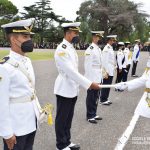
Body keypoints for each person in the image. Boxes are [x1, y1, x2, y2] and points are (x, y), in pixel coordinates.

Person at [54, 22, 101, 150]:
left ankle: (67, 141)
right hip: (64, 88)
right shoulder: (62, 49)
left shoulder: (70, 47)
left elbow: (74, 71)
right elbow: (71, 71)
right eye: (76, 33)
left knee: (68, 118)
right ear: (68, 33)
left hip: (72, 88)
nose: (77, 35)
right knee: (62, 119)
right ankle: (61, 144)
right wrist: (89, 83)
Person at [0, 18, 39, 150]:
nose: (29, 40)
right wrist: (6, 132)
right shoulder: (4, 67)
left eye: (29, 36)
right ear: (13, 40)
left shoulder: (27, 61)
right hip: (16, 127)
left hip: (30, 121)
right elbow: (2, 102)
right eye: (25, 36)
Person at [84, 31, 104, 124]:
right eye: (97, 37)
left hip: (98, 76)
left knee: (96, 96)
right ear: (94, 38)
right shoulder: (90, 49)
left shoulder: (98, 49)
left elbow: (100, 64)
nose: (99, 39)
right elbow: (87, 66)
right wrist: (89, 81)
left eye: (100, 37)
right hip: (92, 77)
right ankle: (90, 115)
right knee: (91, 96)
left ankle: (94, 113)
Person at [100, 35, 117, 105]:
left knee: (108, 85)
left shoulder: (110, 48)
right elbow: (104, 61)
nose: (113, 42)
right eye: (113, 40)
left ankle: (106, 98)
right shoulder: (106, 49)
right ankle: (102, 99)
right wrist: (105, 72)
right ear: (109, 40)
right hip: (107, 70)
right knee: (106, 84)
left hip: (111, 69)